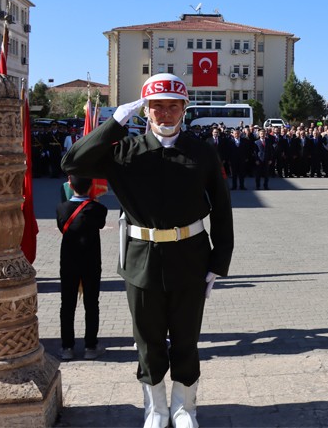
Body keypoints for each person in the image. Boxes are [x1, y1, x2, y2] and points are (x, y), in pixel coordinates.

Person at [62, 73, 234, 428]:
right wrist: (116, 121)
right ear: (146, 110)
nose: (166, 114)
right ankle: (155, 409)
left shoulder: (201, 152)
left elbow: (221, 207)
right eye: (157, 107)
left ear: (185, 109)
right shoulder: (124, 152)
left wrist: (219, 261)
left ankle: (185, 408)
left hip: (191, 256)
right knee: (148, 340)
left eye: (174, 106)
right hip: (141, 260)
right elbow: (73, 162)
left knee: (186, 338)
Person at [56, 176, 108, 361]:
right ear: (92, 186)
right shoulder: (99, 209)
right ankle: (90, 346)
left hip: (69, 262)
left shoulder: (61, 208)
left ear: (70, 185)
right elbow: (100, 224)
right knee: (91, 304)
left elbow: (61, 226)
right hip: (91, 262)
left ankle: (67, 347)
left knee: (67, 305)